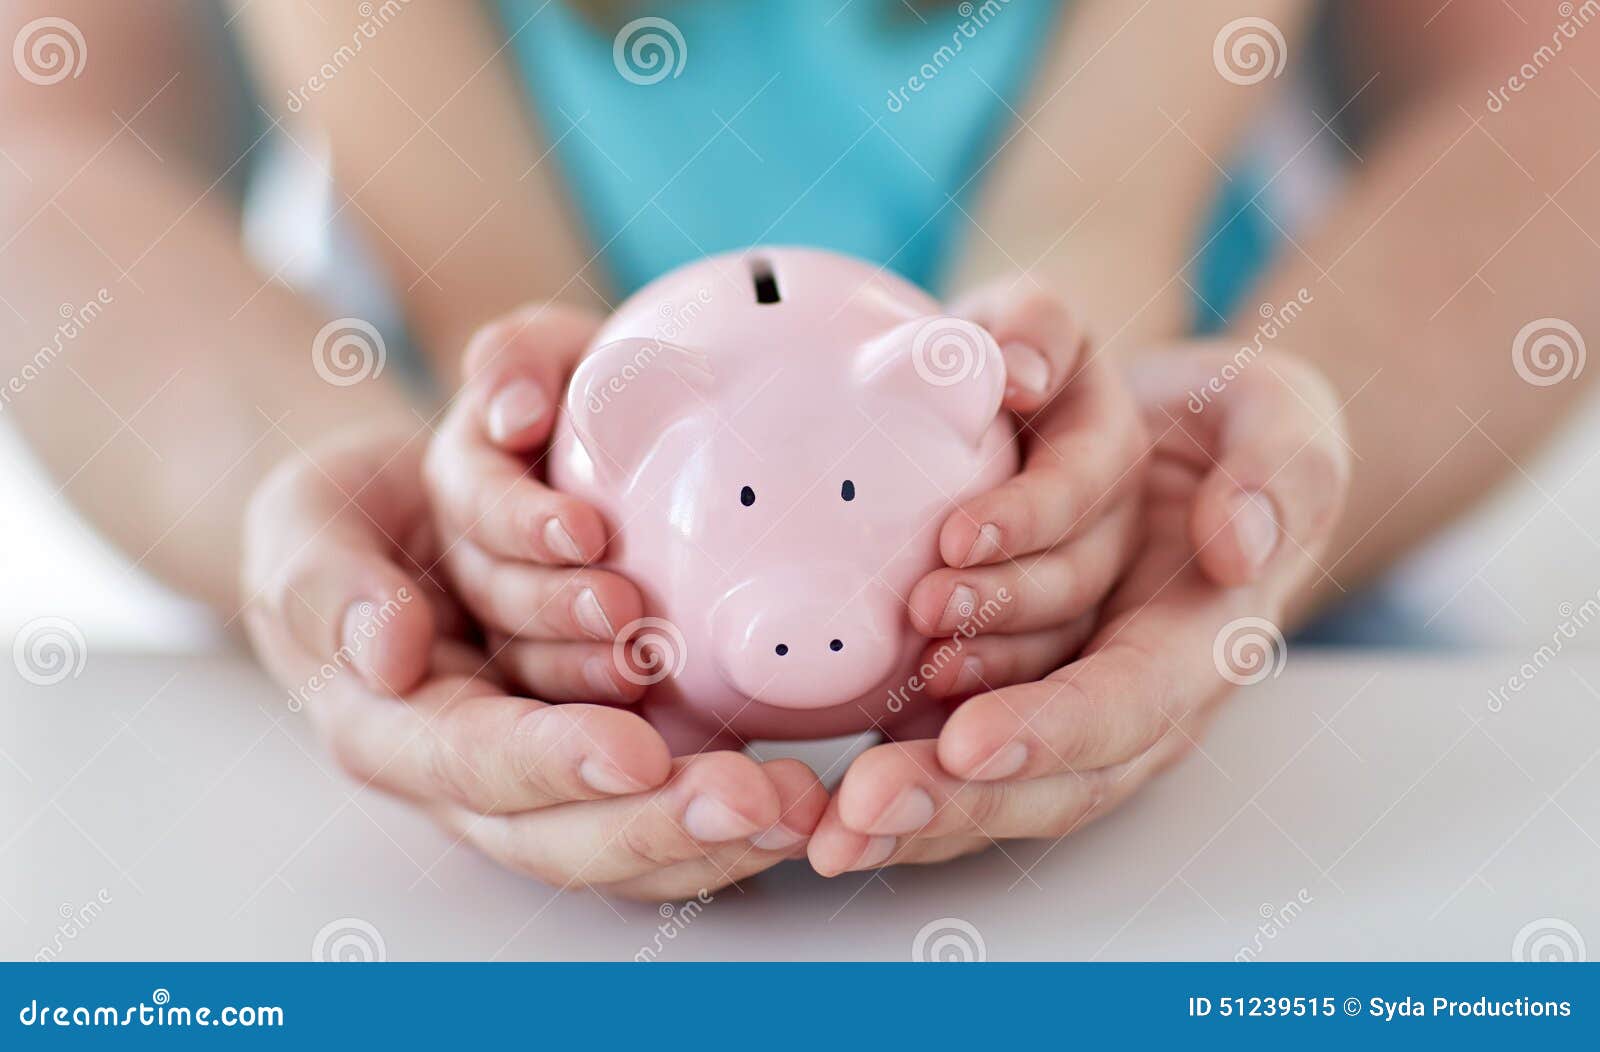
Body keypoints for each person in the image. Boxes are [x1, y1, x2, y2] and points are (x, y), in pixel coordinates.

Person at [2, 0, 1594, 901]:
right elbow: (46, 135)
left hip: (1225, 634)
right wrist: (350, 487)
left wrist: (1250, 464)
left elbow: (1550, 89)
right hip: (436, 674)